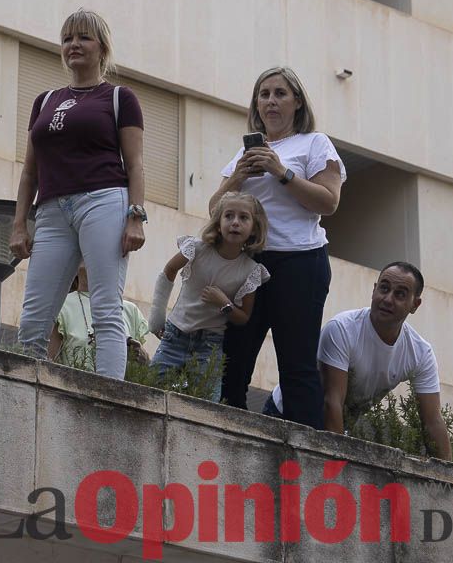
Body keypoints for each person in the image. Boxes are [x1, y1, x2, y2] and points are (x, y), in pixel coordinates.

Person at [9, 9, 146, 380]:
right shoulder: (45, 100)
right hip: (52, 209)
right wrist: (20, 224)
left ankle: (109, 396)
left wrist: (136, 216)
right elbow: (29, 172)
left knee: (105, 307)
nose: (74, 45)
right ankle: (28, 393)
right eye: (68, 38)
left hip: (103, 200)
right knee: (34, 319)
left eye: (83, 37)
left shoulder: (120, 98)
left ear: (101, 46)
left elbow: (134, 165)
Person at [213, 66, 345, 427]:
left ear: (297, 102)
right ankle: (227, 433)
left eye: (280, 93)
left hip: (299, 262)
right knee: (233, 359)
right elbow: (215, 210)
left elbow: (328, 202)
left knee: (297, 364)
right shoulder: (242, 155)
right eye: (264, 94)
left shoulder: (314, 143)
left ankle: (308, 451)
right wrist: (240, 174)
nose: (271, 101)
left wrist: (281, 171)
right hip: (248, 264)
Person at [264, 262, 452, 460]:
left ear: (415, 304)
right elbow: (332, 401)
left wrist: (449, 480)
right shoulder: (343, 328)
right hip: (286, 412)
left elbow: (432, 422)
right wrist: (338, 462)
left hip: (336, 426)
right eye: (384, 288)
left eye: (400, 294)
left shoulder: (420, 353)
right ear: (374, 290)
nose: (388, 299)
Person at [149, 192, 270, 403]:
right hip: (175, 336)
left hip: (209, 346)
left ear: (254, 228)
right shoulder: (197, 248)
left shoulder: (250, 270)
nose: (235, 223)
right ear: (218, 222)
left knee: (206, 405)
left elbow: (243, 317)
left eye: (243, 218)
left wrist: (224, 304)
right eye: (229, 216)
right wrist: (157, 320)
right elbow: (168, 271)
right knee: (149, 394)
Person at [49, 264, 151, 369]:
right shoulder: (61, 305)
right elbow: (50, 364)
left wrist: (144, 358)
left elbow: (144, 369)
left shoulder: (130, 310)